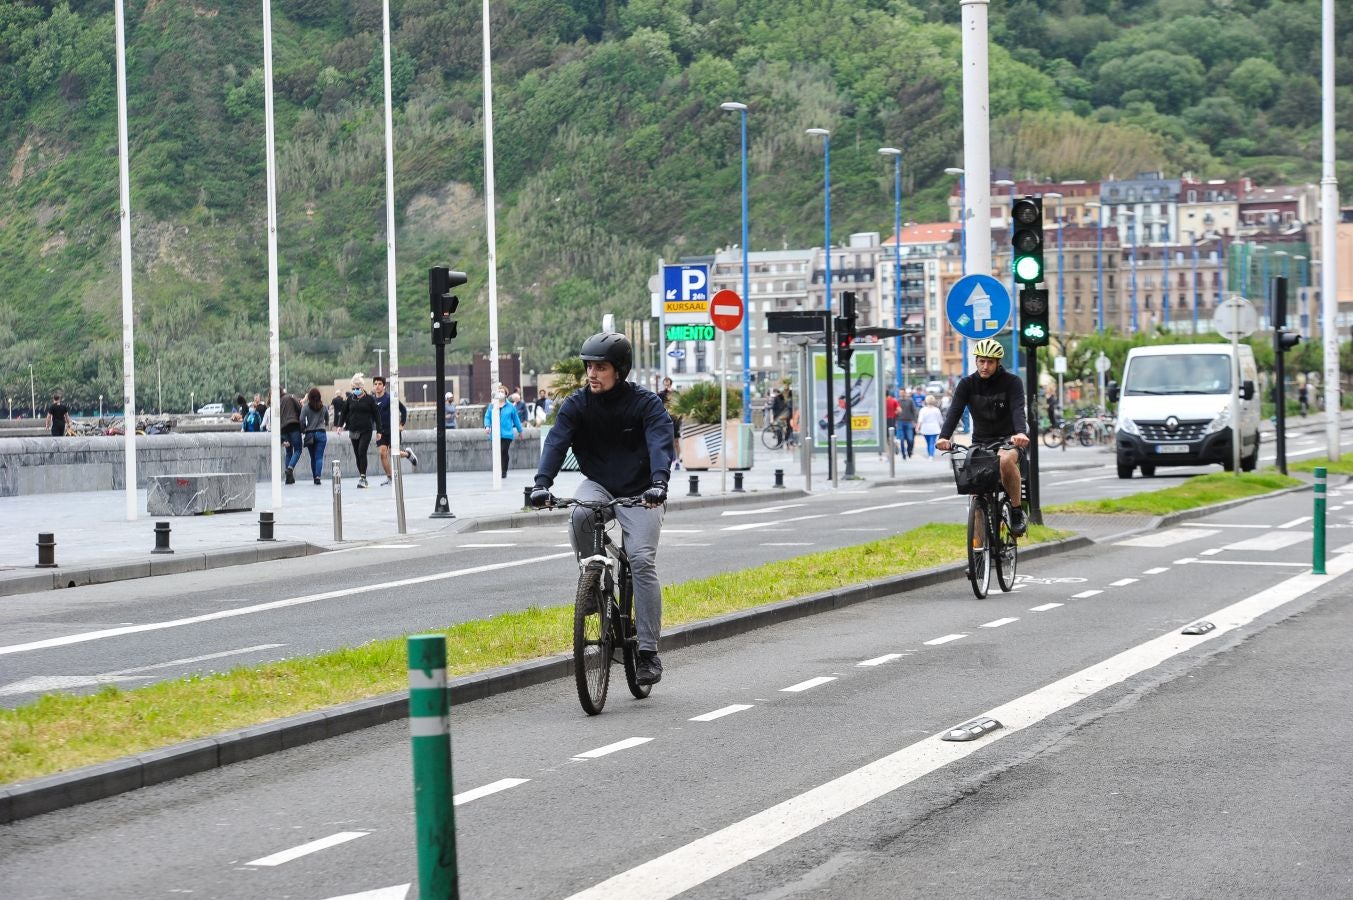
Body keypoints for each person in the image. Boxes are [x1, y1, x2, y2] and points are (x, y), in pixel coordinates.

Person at [529, 332, 673, 686]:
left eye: (601, 367)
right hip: (599, 484)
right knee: (579, 514)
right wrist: (541, 484)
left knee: (640, 560)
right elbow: (557, 441)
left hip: (642, 491)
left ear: (620, 370)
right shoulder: (578, 405)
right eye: (589, 366)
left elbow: (659, 443)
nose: (592, 373)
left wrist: (659, 484)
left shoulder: (645, 404)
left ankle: (648, 652)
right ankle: (592, 588)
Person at [935, 338, 1031, 535]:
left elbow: (1018, 410)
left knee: (1004, 461)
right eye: (981, 361)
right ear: (976, 360)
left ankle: (1016, 511)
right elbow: (954, 411)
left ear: (998, 363)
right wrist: (944, 436)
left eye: (990, 361)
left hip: (1009, 440)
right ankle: (979, 554)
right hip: (981, 442)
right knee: (976, 492)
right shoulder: (967, 384)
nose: (985, 366)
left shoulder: (1012, 383)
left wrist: (1020, 433)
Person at [372, 375, 417, 485]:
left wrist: (402, 424)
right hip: (380, 431)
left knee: (394, 453)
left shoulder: (390, 398)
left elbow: (403, 410)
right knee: (382, 453)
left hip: (392, 430)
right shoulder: (372, 400)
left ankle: (407, 454)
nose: (377, 386)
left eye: (379, 384)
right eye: (375, 384)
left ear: (384, 386)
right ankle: (390, 477)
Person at [344, 373, 378, 488]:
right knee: (357, 454)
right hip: (353, 430)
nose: (355, 390)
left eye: (357, 388)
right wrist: (338, 425)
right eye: (353, 388)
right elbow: (344, 412)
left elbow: (376, 415)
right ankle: (362, 476)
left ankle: (363, 477)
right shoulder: (350, 399)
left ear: (362, 387)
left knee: (361, 451)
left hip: (366, 430)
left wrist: (379, 431)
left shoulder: (369, 399)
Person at [484, 389, 524, 477]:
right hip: (494, 434)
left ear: (506, 394)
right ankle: (497, 470)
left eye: (503, 392)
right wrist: (487, 426)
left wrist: (520, 431)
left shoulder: (511, 407)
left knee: (503, 451)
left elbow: (516, 419)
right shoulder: (492, 405)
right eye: (499, 391)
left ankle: (503, 471)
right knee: (497, 452)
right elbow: (487, 417)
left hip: (507, 434)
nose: (501, 393)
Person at [300, 388, 329, 485]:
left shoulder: (305, 408)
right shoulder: (324, 407)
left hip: (310, 434)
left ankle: (314, 477)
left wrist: (303, 429)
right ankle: (318, 476)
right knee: (319, 457)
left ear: (309, 397)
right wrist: (325, 424)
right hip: (321, 433)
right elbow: (327, 418)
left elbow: (301, 420)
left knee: (313, 457)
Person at [277, 389, 304, 484]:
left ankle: (289, 478)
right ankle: (290, 468)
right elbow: (300, 408)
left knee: (288, 452)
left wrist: (281, 438)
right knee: (298, 449)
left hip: (283, 428)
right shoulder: (290, 397)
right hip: (293, 426)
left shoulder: (276, 402)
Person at [917, 395, 943, 460]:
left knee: (928, 442)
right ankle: (931, 455)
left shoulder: (923, 410)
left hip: (925, 428)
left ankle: (930, 454)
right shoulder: (937, 410)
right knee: (932, 442)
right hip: (935, 428)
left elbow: (920, 420)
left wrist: (917, 427)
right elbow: (940, 420)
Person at [896, 387, 918, 459]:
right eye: (900, 393)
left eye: (902, 392)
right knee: (901, 439)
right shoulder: (898, 401)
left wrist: (914, 421)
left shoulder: (910, 400)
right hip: (900, 422)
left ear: (905, 393)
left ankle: (909, 450)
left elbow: (914, 411)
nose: (901, 394)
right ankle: (903, 454)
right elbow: (895, 412)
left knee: (910, 439)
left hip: (909, 422)